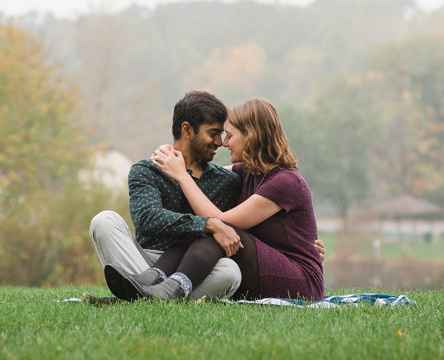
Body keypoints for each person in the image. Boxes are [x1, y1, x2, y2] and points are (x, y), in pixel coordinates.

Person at [106, 98, 324, 302]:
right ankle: (152, 279)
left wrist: (181, 175)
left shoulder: (285, 182)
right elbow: (204, 171)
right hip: (263, 267)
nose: (224, 143)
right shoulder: (249, 171)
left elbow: (219, 219)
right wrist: (170, 153)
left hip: (300, 282)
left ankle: (169, 287)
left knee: (217, 226)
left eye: (229, 135)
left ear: (252, 135)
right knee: (201, 226)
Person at [89, 91, 246, 300]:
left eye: (222, 134)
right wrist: (207, 224)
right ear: (187, 130)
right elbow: (147, 219)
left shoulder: (227, 181)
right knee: (104, 221)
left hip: (195, 267)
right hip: (146, 262)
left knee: (230, 271)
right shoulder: (146, 170)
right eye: (213, 133)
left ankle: (141, 297)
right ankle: (150, 291)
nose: (220, 141)